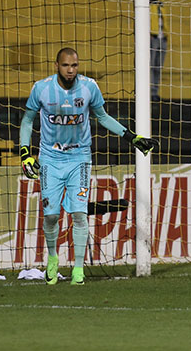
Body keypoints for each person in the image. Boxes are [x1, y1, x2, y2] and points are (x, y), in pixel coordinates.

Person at [19, 47, 158, 286]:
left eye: (74, 65)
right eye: (66, 66)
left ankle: (78, 270)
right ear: (56, 66)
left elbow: (103, 117)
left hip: (79, 158)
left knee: (80, 215)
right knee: (51, 216)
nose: (71, 70)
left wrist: (132, 137)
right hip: (50, 159)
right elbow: (28, 120)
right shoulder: (41, 88)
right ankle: (52, 258)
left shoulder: (89, 87)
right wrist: (25, 153)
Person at [149, 0, 167, 101]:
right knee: (149, 66)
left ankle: (154, 92)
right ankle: (148, 92)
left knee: (158, 66)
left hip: (162, 37)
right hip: (151, 36)